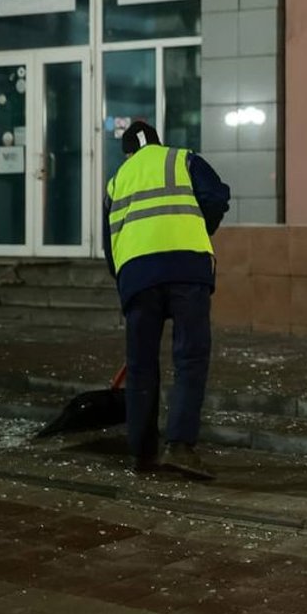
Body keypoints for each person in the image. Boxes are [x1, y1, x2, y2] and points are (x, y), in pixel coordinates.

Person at [104, 121, 229, 480]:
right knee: (190, 358)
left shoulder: (117, 180)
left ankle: (142, 453)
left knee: (141, 365)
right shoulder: (183, 160)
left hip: (138, 278)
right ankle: (180, 448)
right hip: (187, 269)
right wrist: (199, 227)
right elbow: (217, 196)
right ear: (159, 142)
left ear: (128, 151)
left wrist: (126, 281)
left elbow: (109, 242)